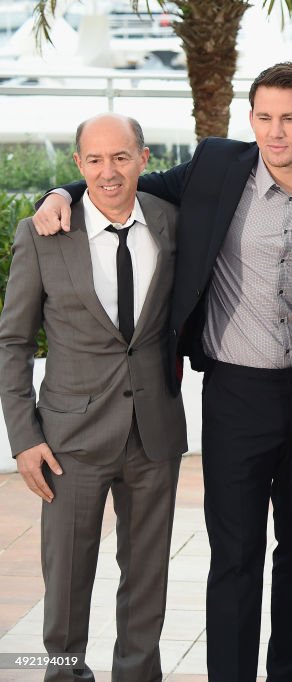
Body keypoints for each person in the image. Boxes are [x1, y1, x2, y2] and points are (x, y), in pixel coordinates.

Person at [31, 62, 292, 681]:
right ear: (251, 120)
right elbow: (123, 179)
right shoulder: (219, 165)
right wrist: (60, 193)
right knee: (236, 558)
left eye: (290, 118)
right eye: (264, 117)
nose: (275, 131)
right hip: (235, 394)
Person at [0, 114, 187, 681]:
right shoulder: (43, 234)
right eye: (96, 160)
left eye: (122, 157)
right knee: (67, 582)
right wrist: (24, 438)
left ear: (144, 159)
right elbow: (12, 340)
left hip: (153, 433)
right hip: (69, 440)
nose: (110, 172)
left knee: (148, 577)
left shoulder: (172, 223)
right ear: (78, 165)